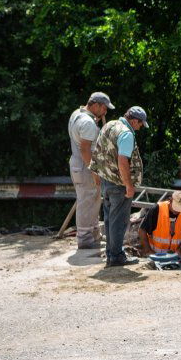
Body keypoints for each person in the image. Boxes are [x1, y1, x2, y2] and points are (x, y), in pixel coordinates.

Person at [90, 105, 148, 267]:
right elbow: (123, 161)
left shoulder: (110, 125)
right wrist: (129, 185)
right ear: (135, 121)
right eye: (141, 124)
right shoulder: (126, 134)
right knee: (119, 221)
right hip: (119, 184)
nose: (140, 127)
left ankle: (111, 254)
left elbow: (97, 152)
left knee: (109, 220)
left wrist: (96, 174)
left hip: (107, 181)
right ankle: (116, 256)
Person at [67, 92, 114, 249]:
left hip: (78, 164)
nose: (105, 112)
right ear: (95, 105)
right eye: (104, 108)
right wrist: (94, 171)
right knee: (87, 200)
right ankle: (85, 238)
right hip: (85, 165)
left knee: (91, 199)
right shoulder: (88, 123)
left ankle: (93, 235)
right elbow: (85, 149)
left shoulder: (77, 114)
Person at [138, 191, 181, 269]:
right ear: (170, 200)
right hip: (155, 254)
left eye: (180, 209)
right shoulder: (157, 209)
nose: (177, 211)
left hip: (175, 254)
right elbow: (142, 230)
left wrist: (179, 250)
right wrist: (148, 251)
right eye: (176, 207)